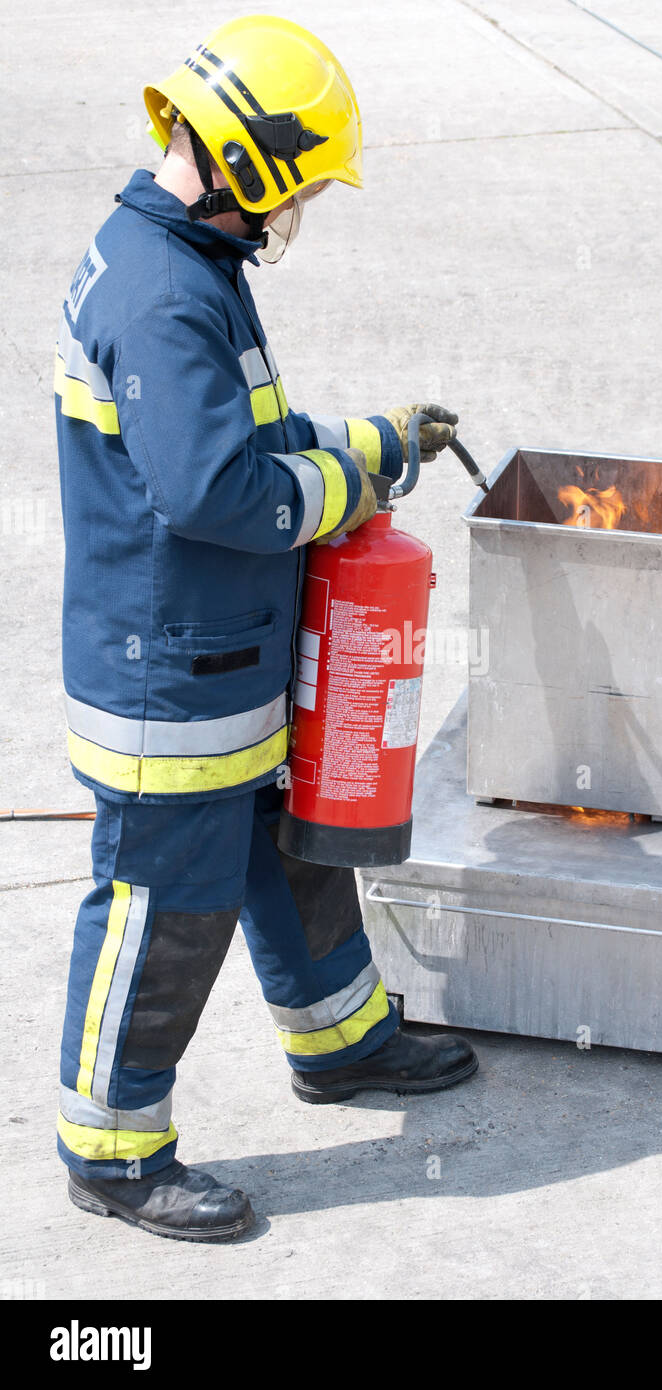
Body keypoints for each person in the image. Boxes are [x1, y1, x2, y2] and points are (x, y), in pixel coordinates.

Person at [54, 14, 476, 1243]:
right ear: (246, 162)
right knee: (161, 904)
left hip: (219, 655)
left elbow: (245, 438)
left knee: (293, 846)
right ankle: (112, 1147)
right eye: (295, 189)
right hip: (164, 674)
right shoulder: (166, 296)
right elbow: (218, 493)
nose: (295, 215)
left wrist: (370, 440)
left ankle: (340, 1039)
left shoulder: (185, 260)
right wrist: (352, 487)